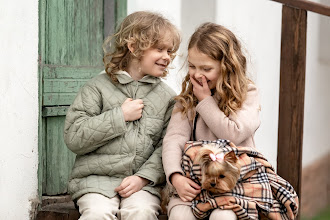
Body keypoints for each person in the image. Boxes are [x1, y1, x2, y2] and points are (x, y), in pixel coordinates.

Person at [64, 11, 181, 220]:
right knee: (97, 213)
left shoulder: (168, 98)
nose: (167, 56)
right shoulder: (96, 88)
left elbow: (167, 146)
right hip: (95, 181)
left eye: (169, 51)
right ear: (134, 47)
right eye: (159, 48)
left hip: (143, 185)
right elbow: (74, 136)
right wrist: (119, 116)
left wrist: (143, 178)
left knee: (142, 212)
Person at [162, 22, 261, 220]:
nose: (197, 74)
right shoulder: (188, 98)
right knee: (180, 216)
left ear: (227, 66)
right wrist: (176, 177)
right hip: (193, 185)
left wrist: (206, 101)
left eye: (206, 68)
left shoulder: (246, 94)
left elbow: (234, 133)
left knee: (222, 217)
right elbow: (174, 139)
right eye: (192, 66)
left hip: (233, 187)